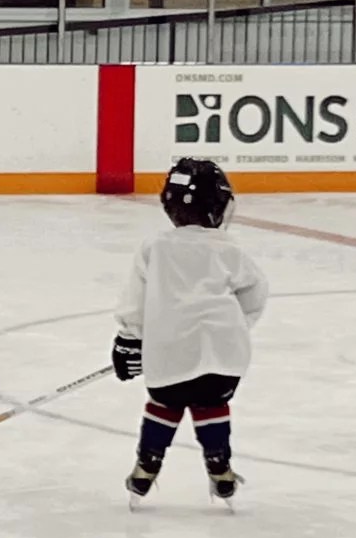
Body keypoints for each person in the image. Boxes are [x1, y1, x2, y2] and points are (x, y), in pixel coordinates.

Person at [112, 157, 267, 505]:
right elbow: (256, 294)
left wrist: (128, 340)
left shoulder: (156, 248)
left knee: (166, 402)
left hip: (169, 352)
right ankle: (219, 465)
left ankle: (147, 464)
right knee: (211, 401)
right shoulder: (230, 250)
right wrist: (234, 328)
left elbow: (135, 301)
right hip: (225, 356)